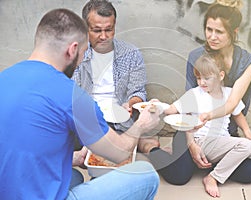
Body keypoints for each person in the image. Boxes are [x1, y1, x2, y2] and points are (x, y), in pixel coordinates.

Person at [0, 8, 160, 200]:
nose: (83, 59)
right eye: (84, 53)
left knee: (74, 176)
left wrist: (74, 158)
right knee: (146, 173)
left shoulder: (5, 77)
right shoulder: (72, 96)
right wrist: (142, 125)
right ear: (72, 49)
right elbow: (119, 153)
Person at [138, 0, 251, 186]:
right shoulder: (197, 57)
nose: (212, 36)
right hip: (192, 129)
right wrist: (192, 145)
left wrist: (246, 133)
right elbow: (189, 106)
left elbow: (233, 104)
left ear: (233, 33)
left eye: (219, 32)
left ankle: (210, 164)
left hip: (223, 134)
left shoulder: (249, 62)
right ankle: (149, 147)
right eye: (208, 29)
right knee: (179, 176)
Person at [166, 53, 251, 198]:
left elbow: (238, 114)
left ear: (221, 76)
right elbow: (172, 109)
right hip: (203, 141)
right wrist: (157, 106)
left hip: (222, 141)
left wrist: (247, 132)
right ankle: (213, 177)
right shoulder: (194, 95)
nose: (201, 82)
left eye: (207, 78)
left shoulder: (229, 94)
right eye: (198, 78)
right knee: (246, 146)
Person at [72, 0, 147, 132]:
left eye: (109, 29)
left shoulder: (131, 54)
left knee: (117, 146)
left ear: (114, 26)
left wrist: (130, 105)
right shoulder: (76, 55)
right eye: (96, 30)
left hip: (119, 123)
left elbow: (138, 91)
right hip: (85, 121)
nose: (103, 36)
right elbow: (70, 93)